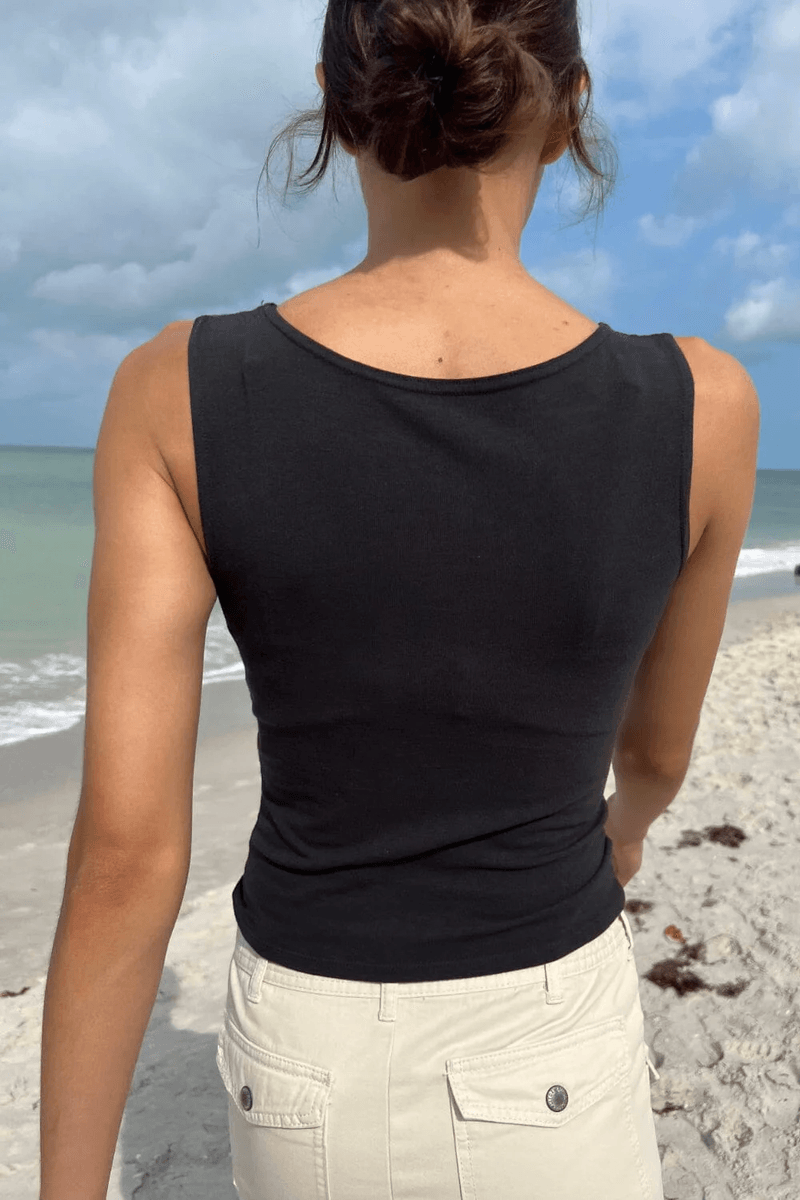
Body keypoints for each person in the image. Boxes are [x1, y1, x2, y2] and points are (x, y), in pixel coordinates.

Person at [39, 2, 760, 1198]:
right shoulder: (702, 405)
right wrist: (624, 830)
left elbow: (127, 854)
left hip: (303, 1048)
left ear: (333, 100)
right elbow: (652, 753)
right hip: (548, 1030)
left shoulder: (175, 392)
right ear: (569, 108)